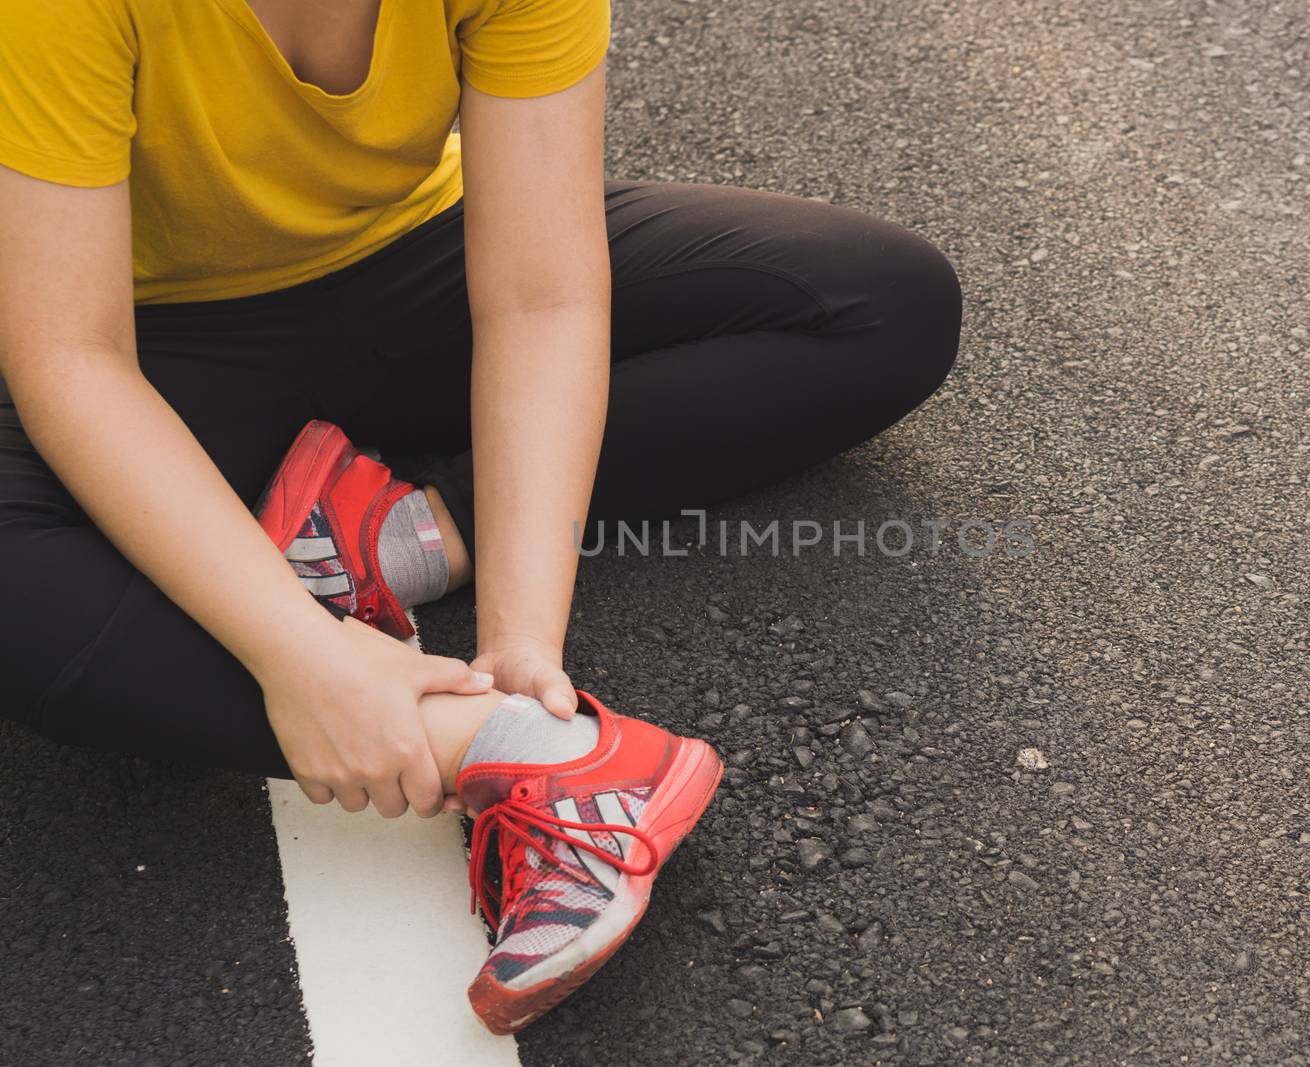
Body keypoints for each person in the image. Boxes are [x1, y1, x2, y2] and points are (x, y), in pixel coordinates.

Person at [0, 0, 962, 1033]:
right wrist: (301, 656)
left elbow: (541, 295)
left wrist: (522, 641)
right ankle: (542, 765)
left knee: (880, 299)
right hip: (160, 331)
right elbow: (74, 356)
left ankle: (395, 538)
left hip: (415, 262)